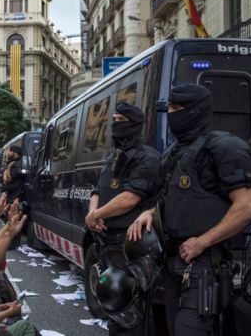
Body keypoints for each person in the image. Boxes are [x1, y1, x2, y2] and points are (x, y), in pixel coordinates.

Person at [127, 84, 251, 336]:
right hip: (171, 262)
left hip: (204, 266)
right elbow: (172, 198)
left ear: (196, 111)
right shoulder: (172, 153)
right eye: (169, 108)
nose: (170, 113)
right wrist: (149, 213)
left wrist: (202, 242)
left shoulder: (223, 147)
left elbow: (248, 207)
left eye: (177, 108)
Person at [85, 103, 160, 336]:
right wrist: (92, 215)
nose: (115, 124)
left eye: (121, 120)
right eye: (113, 119)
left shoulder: (147, 157)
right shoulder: (113, 157)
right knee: (113, 307)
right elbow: (97, 190)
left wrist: (97, 215)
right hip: (109, 245)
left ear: (135, 125)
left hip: (132, 246)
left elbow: (130, 198)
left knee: (133, 312)